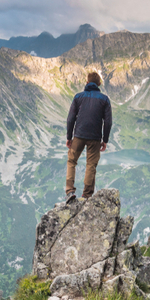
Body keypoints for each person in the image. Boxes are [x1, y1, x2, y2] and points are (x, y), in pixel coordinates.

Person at [65, 71, 113, 202]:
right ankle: (86, 195)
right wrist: (105, 140)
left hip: (79, 135)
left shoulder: (78, 97)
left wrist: (69, 137)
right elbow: (108, 122)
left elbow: (70, 119)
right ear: (99, 84)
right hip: (95, 138)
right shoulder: (105, 99)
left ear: (86, 83)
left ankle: (69, 191)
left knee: (72, 161)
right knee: (91, 164)